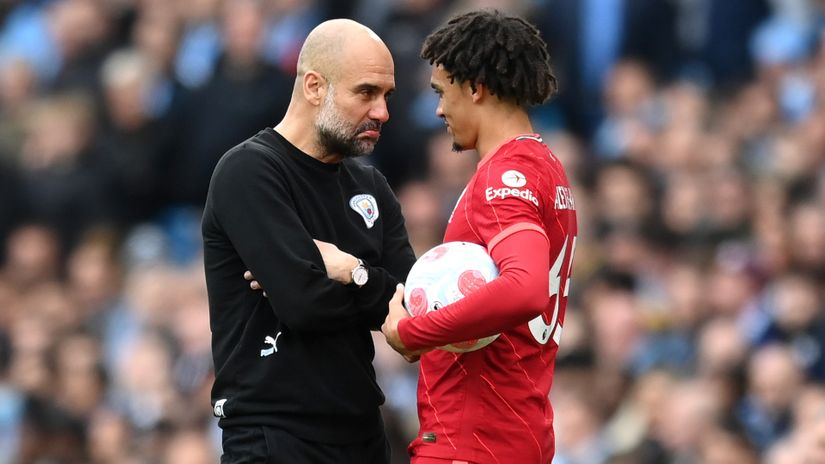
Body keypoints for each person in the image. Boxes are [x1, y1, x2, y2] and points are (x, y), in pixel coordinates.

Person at [201, 18, 416, 464]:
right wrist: (368, 288)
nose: (382, 112)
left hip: (363, 435)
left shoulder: (371, 186)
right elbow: (304, 304)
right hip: (274, 435)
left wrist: (349, 272)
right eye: (366, 92)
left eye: (386, 96)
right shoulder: (249, 172)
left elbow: (411, 312)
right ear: (315, 87)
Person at [381, 10, 578, 464]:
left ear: (475, 88)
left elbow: (524, 287)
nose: (438, 110)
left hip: (474, 439)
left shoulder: (504, 177)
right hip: (512, 431)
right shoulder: (543, 166)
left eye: (442, 92)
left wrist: (414, 332)